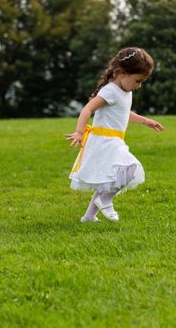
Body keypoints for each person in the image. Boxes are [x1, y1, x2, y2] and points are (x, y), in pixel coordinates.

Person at [66, 47, 164, 222]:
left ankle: (88, 217)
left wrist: (146, 121)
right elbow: (88, 108)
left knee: (108, 179)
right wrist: (79, 132)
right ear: (122, 73)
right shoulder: (110, 91)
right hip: (104, 140)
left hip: (114, 140)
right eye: (137, 80)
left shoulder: (126, 91)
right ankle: (105, 199)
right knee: (131, 168)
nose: (138, 85)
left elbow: (124, 112)